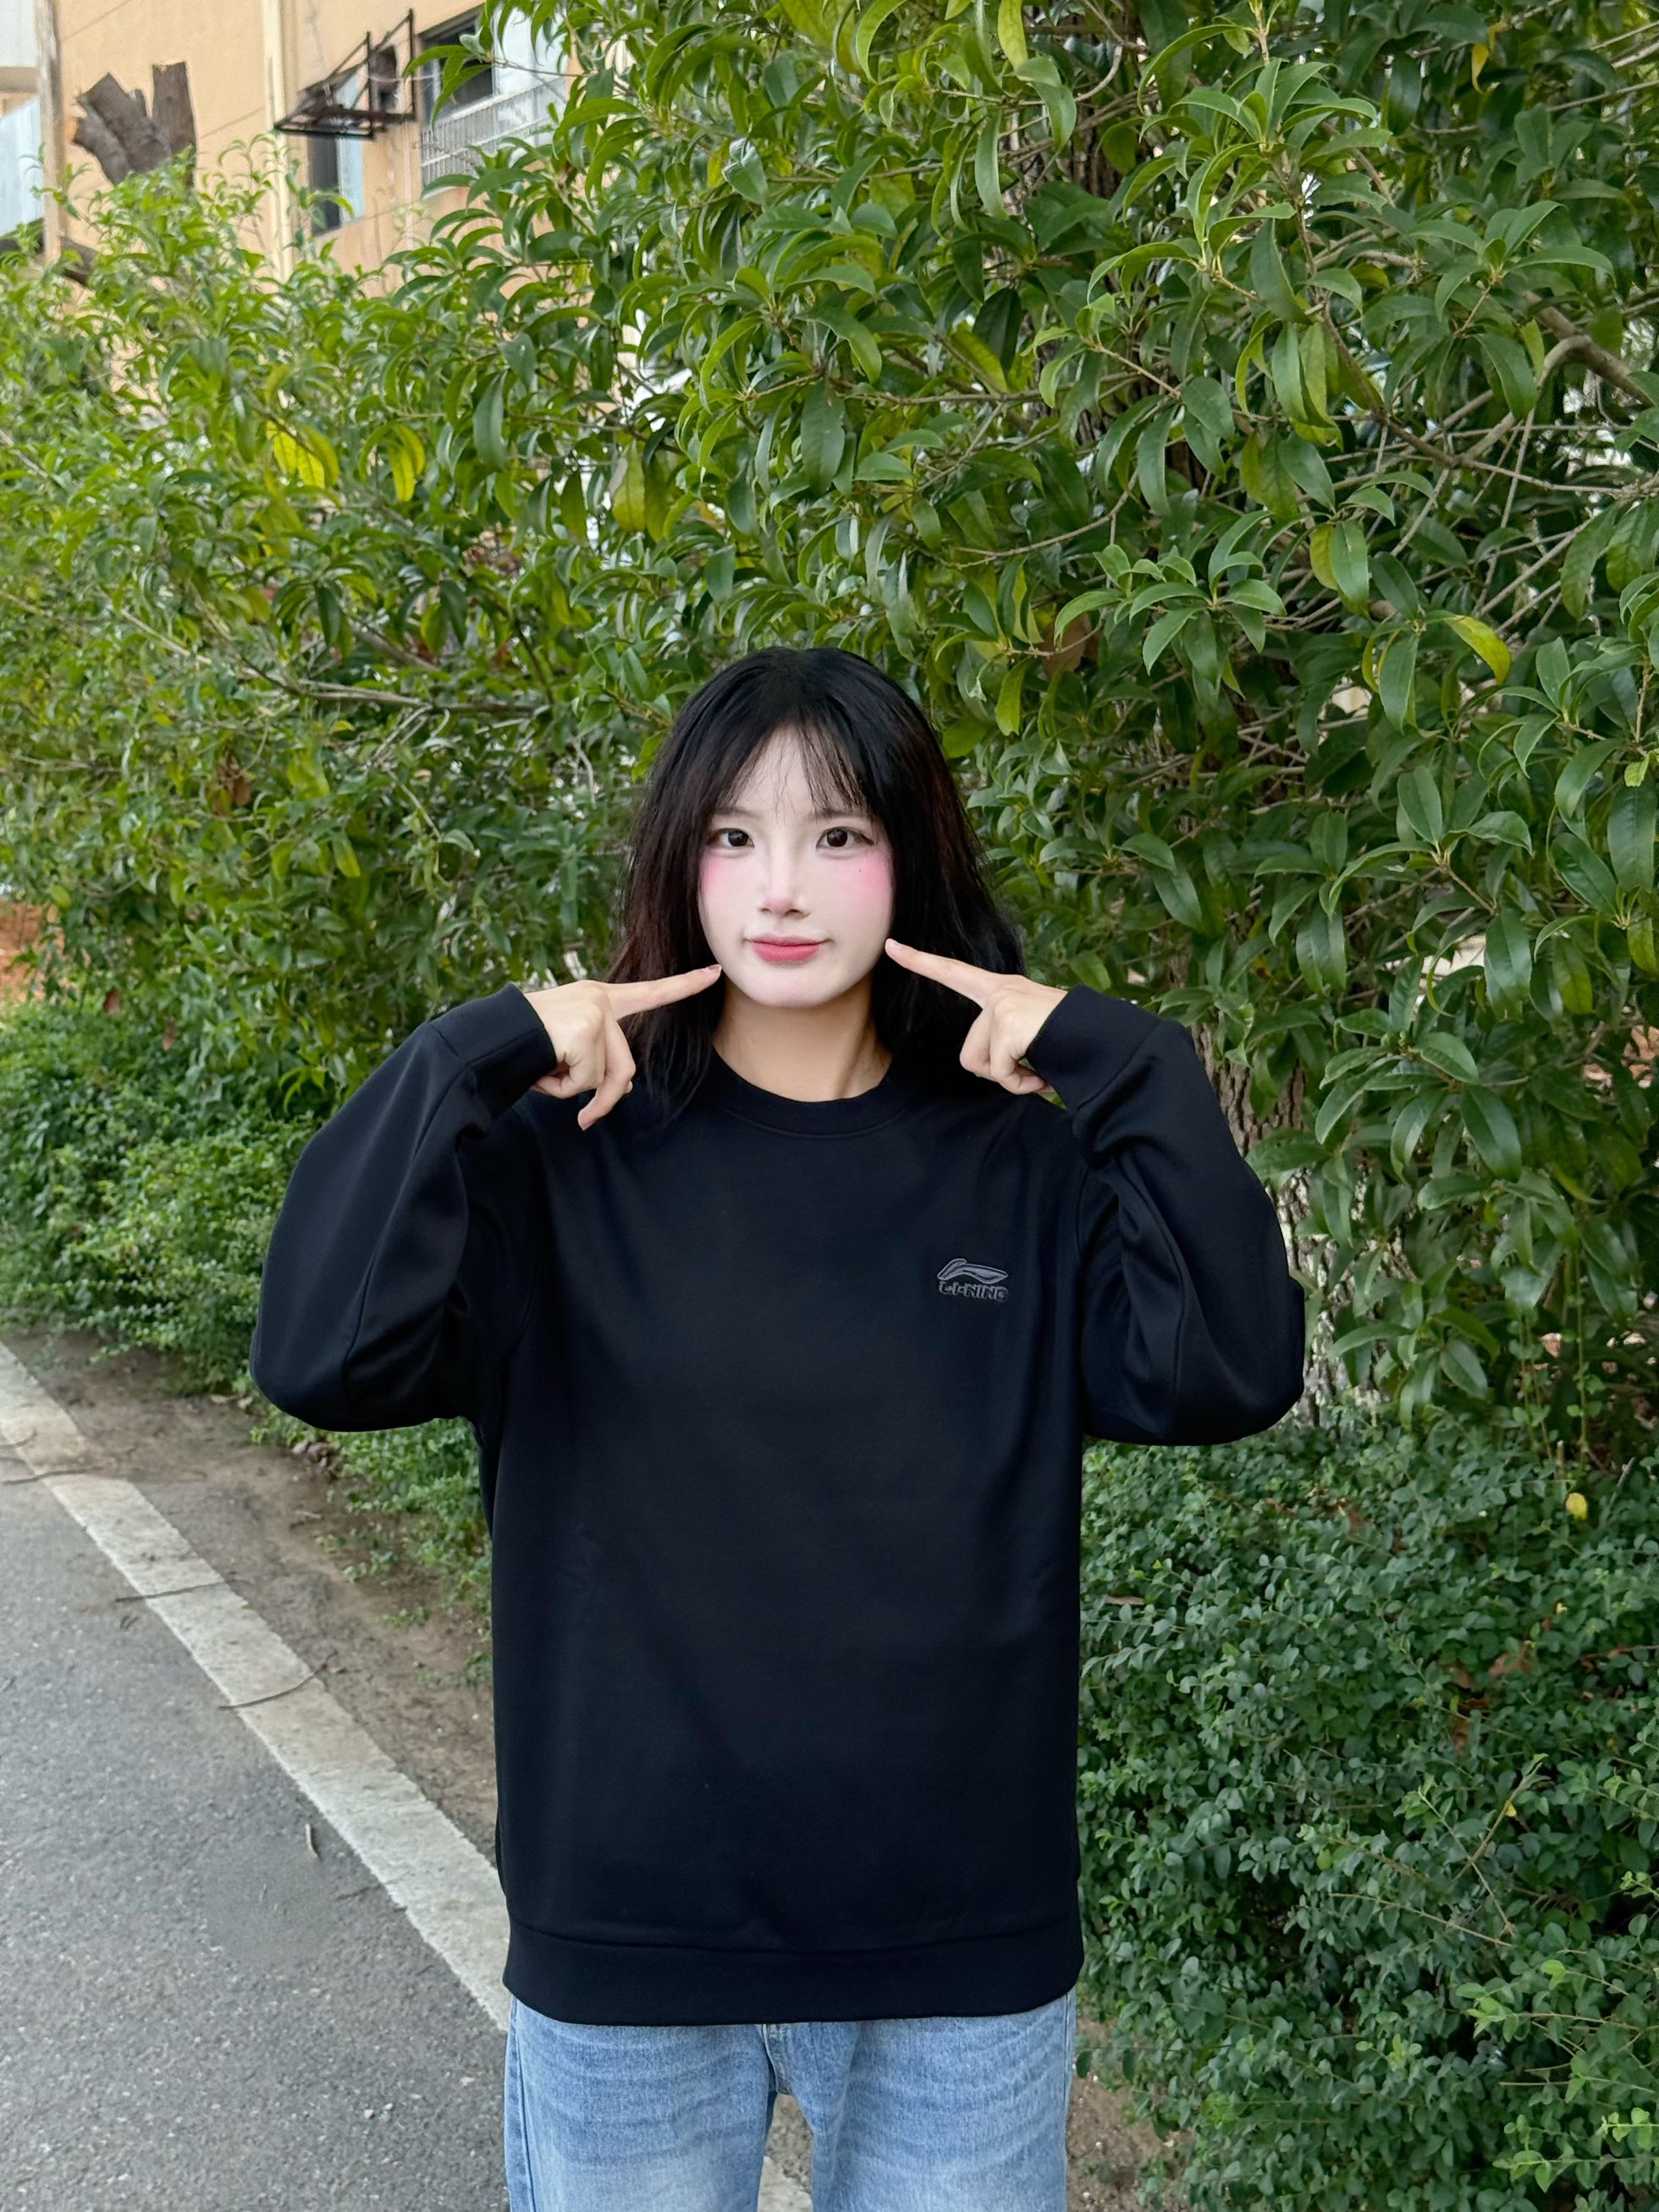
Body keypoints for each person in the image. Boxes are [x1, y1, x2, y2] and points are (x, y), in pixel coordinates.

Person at [251, 644, 1304, 2212]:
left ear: (913, 857)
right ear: (679, 864)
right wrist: (471, 1054)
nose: (784, 887)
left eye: (839, 833)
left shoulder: (1022, 1171)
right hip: (629, 1936)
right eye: (733, 835)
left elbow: (1233, 1364)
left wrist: (1127, 1062)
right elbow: (321, 1351)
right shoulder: (557, 1162)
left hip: (958, 1952)